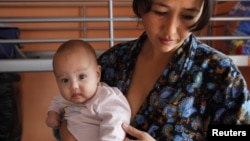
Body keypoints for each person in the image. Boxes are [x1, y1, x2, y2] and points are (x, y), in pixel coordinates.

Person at [59, 0, 250, 141]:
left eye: (188, 16)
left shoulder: (222, 75)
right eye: (160, 12)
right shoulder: (112, 61)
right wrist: (65, 131)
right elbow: (70, 115)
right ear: (142, 6)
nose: (170, 30)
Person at [46, 39, 131, 141]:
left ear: (97, 74)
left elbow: (117, 119)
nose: (74, 86)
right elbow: (57, 102)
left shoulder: (105, 97)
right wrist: (53, 113)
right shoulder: (66, 98)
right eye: (65, 80)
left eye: (81, 77)